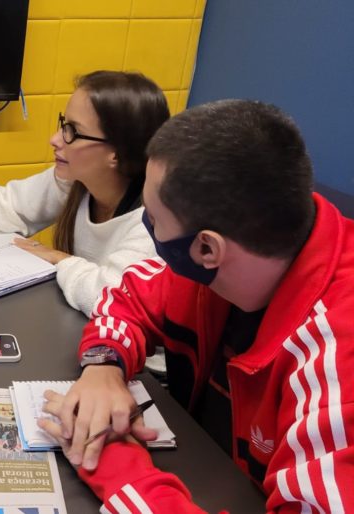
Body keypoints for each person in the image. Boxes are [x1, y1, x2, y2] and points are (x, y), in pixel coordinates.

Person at [39, 99, 354, 512]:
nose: (147, 228)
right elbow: (126, 298)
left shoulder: (336, 356)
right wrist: (103, 368)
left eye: (151, 217)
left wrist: (113, 464)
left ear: (206, 247)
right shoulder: (219, 267)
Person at [0, 71, 171, 317]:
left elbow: (108, 297)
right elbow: (7, 204)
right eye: (63, 124)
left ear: (115, 153)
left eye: (72, 131)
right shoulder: (75, 182)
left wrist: (57, 258)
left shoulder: (153, 224)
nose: (54, 139)